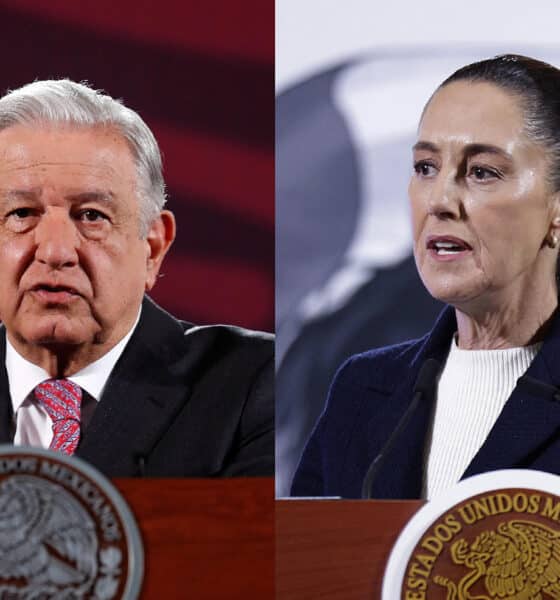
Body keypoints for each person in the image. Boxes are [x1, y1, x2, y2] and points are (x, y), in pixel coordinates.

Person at [292, 54, 560, 499]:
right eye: (425, 168)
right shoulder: (363, 389)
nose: (439, 201)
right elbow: (308, 562)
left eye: (481, 172)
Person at [0, 79, 273, 477]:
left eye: (91, 215)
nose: (55, 252)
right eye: (22, 214)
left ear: (153, 246)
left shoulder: (254, 384)